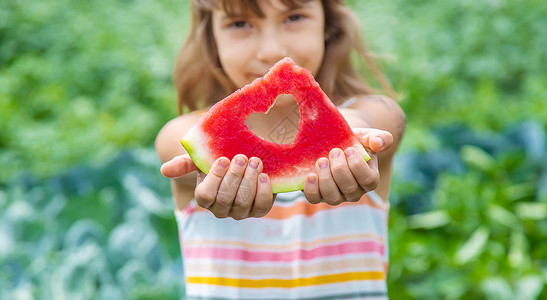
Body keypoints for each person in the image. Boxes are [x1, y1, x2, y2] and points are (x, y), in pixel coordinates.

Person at [155, 0, 406, 299]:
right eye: (239, 23)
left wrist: (346, 133)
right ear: (211, 39)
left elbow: (378, 121)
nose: (272, 50)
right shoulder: (181, 133)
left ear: (329, 25)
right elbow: (179, 149)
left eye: (294, 17)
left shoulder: (374, 113)